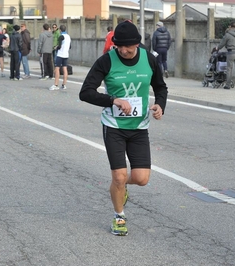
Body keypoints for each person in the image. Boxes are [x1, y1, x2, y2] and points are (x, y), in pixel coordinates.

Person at [79, 21, 168, 236]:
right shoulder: (106, 61)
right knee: (119, 176)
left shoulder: (149, 59)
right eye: (119, 46)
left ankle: (119, 187)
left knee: (141, 179)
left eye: (127, 46)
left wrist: (159, 106)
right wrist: (113, 100)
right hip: (114, 126)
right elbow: (86, 92)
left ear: (137, 44)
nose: (123, 50)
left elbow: (160, 86)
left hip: (139, 127)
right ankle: (119, 216)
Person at [217, 21, 235, 90]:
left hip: (231, 53)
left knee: (229, 69)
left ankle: (228, 85)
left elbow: (222, 43)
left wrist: (217, 48)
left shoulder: (227, 34)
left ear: (230, 27)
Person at [50, 25, 71, 90]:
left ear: (60, 30)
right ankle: (64, 84)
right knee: (65, 68)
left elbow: (59, 46)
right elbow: (70, 46)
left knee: (57, 69)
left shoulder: (61, 36)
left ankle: (56, 84)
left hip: (60, 54)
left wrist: (56, 47)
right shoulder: (68, 36)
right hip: (66, 54)